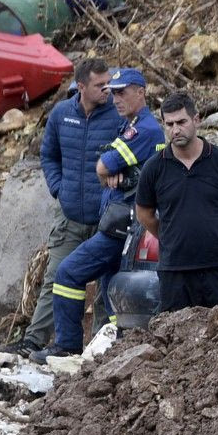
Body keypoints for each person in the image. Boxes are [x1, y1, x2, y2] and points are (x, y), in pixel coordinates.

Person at [33, 68, 165, 363]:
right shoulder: (128, 124)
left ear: (140, 92)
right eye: (111, 91)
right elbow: (99, 166)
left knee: (68, 273)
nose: (114, 98)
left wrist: (113, 171)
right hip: (119, 223)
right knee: (110, 296)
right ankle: (114, 355)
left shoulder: (143, 128)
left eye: (121, 92)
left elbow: (103, 167)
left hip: (123, 227)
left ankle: (67, 345)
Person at [2, 59, 117, 356]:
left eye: (109, 82)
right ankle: (33, 341)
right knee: (56, 278)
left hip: (107, 218)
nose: (108, 88)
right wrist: (58, 188)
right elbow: (48, 154)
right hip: (70, 218)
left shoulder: (118, 114)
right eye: (99, 84)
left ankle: (102, 347)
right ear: (80, 87)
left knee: (109, 283)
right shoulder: (61, 114)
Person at [133, 92, 218, 313]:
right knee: (178, 340)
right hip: (175, 273)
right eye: (169, 124)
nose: (175, 130)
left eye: (181, 122)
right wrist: (170, 236)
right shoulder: (154, 168)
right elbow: (144, 215)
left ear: (196, 120)